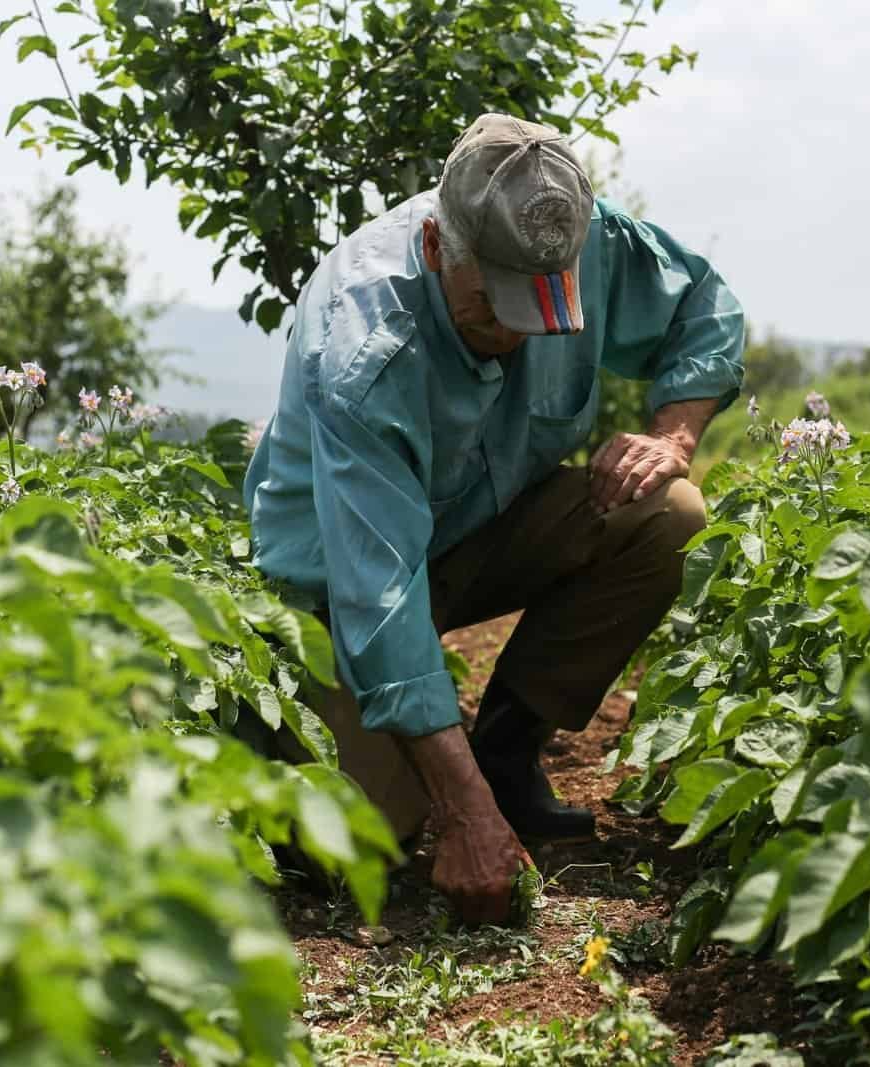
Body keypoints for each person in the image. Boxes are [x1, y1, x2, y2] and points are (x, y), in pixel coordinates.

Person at [243, 113, 744, 923]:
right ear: (441, 247)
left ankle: (505, 751)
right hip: (341, 588)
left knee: (669, 513)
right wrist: (461, 814)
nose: (513, 334)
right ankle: (442, 782)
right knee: (352, 847)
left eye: (540, 312)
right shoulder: (367, 345)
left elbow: (707, 310)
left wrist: (671, 436)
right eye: (490, 310)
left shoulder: (582, 239)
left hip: (481, 527)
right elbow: (378, 598)